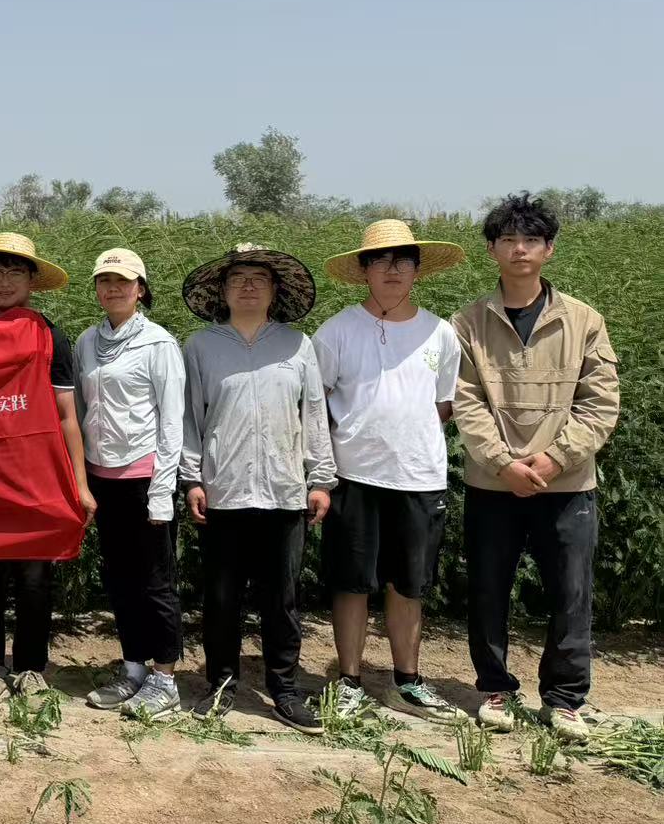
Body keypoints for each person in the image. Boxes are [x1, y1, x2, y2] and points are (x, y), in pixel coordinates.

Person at [454, 193, 620, 740]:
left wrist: (553, 458)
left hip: (567, 483)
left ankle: (565, 699)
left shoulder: (584, 321)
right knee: (488, 589)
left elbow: (600, 404)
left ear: (549, 249)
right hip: (492, 483)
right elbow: (466, 402)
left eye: (531, 239)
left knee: (571, 592)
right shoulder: (468, 323)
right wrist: (503, 463)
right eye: (508, 239)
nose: (519, 249)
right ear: (492, 249)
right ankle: (495, 688)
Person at [314, 220, 465, 723]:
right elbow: (316, 405)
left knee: (410, 584)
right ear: (364, 271)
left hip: (419, 476)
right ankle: (349, 681)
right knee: (351, 582)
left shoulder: (441, 333)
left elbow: (444, 405)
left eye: (403, 260)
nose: (392, 269)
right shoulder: (336, 331)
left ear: (418, 270)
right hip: (353, 475)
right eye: (380, 260)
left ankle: (407, 682)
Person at [180, 243, 335, 734]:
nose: (248, 286)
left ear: (274, 291)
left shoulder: (297, 345)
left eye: (259, 278)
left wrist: (320, 478)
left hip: (285, 491)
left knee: (281, 599)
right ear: (222, 291)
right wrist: (192, 478)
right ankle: (221, 683)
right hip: (223, 489)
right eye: (238, 278)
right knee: (221, 597)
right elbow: (190, 418)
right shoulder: (201, 346)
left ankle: (284, 690)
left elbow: (313, 414)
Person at [0, 233, 91, 718]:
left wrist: (79, 484)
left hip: (34, 472)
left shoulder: (48, 335)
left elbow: (67, 415)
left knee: (34, 578)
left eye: (15, 273)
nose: (4, 282)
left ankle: (31, 669)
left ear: (32, 282)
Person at [75, 248, 186, 719]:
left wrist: (162, 493)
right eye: (105, 280)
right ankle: (133, 668)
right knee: (120, 580)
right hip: (103, 479)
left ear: (140, 289)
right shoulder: (86, 342)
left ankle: (166, 679)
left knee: (155, 583)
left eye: (123, 281)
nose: (113, 288)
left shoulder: (159, 344)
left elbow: (172, 422)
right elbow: (81, 411)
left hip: (145, 478)